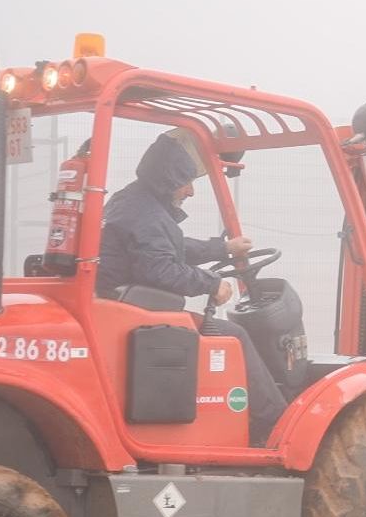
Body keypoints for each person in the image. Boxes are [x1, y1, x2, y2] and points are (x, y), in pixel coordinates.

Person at [96, 132, 287, 446]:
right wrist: (211, 284)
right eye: (186, 181)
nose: (191, 191)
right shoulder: (147, 214)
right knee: (234, 335)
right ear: (167, 179)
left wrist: (222, 248)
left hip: (127, 305)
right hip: (141, 314)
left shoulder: (132, 203)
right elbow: (159, 267)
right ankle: (273, 425)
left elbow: (166, 247)